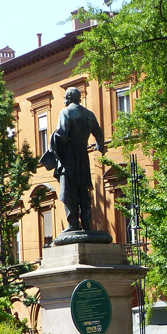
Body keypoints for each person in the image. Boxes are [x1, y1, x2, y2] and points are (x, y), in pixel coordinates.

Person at [42, 86, 106, 233]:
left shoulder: (66, 112)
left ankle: (73, 224)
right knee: (83, 191)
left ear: (69, 98)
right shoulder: (89, 115)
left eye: (65, 96)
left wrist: (54, 140)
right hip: (83, 157)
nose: (64, 99)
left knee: (69, 191)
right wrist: (99, 147)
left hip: (69, 158)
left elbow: (63, 135)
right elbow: (99, 134)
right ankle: (87, 224)